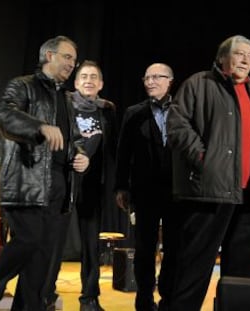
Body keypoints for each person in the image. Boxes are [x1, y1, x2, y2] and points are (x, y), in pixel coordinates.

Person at [161, 35, 250, 311]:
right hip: (210, 190)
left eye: (249, 56)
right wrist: (204, 160)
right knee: (194, 265)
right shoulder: (199, 83)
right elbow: (177, 125)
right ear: (221, 58)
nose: (245, 60)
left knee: (243, 274)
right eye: (239, 54)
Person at [0, 35, 90, 311]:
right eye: (67, 57)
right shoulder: (23, 85)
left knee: (42, 258)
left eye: (74, 59)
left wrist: (81, 154)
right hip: (28, 183)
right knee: (30, 240)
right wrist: (39, 126)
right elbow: (4, 115)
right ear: (49, 56)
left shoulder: (66, 98)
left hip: (59, 185)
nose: (71, 64)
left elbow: (72, 138)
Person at [115, 63, 177, 311]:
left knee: (174, 246)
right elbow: (123, 153)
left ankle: (168, 297)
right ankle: (143, 297)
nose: (150, 81)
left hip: (176, 192)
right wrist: (121, 186)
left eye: (156, 77)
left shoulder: (183, 110)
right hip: (144, 190)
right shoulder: (134, 112)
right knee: (144, 247)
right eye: (146, 77)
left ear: (170, 81)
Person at [70, 60, 118, 311]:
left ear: (100, 84)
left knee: (91, 245)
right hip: (64, 184)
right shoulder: (63, 105)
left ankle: (89, 298)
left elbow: (113, 149)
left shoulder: (107, 110)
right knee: (53, 243)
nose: (88, 80)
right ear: (76, 82)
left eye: (94, 77)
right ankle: (44, 294)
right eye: (84, 76)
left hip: (92, 186)